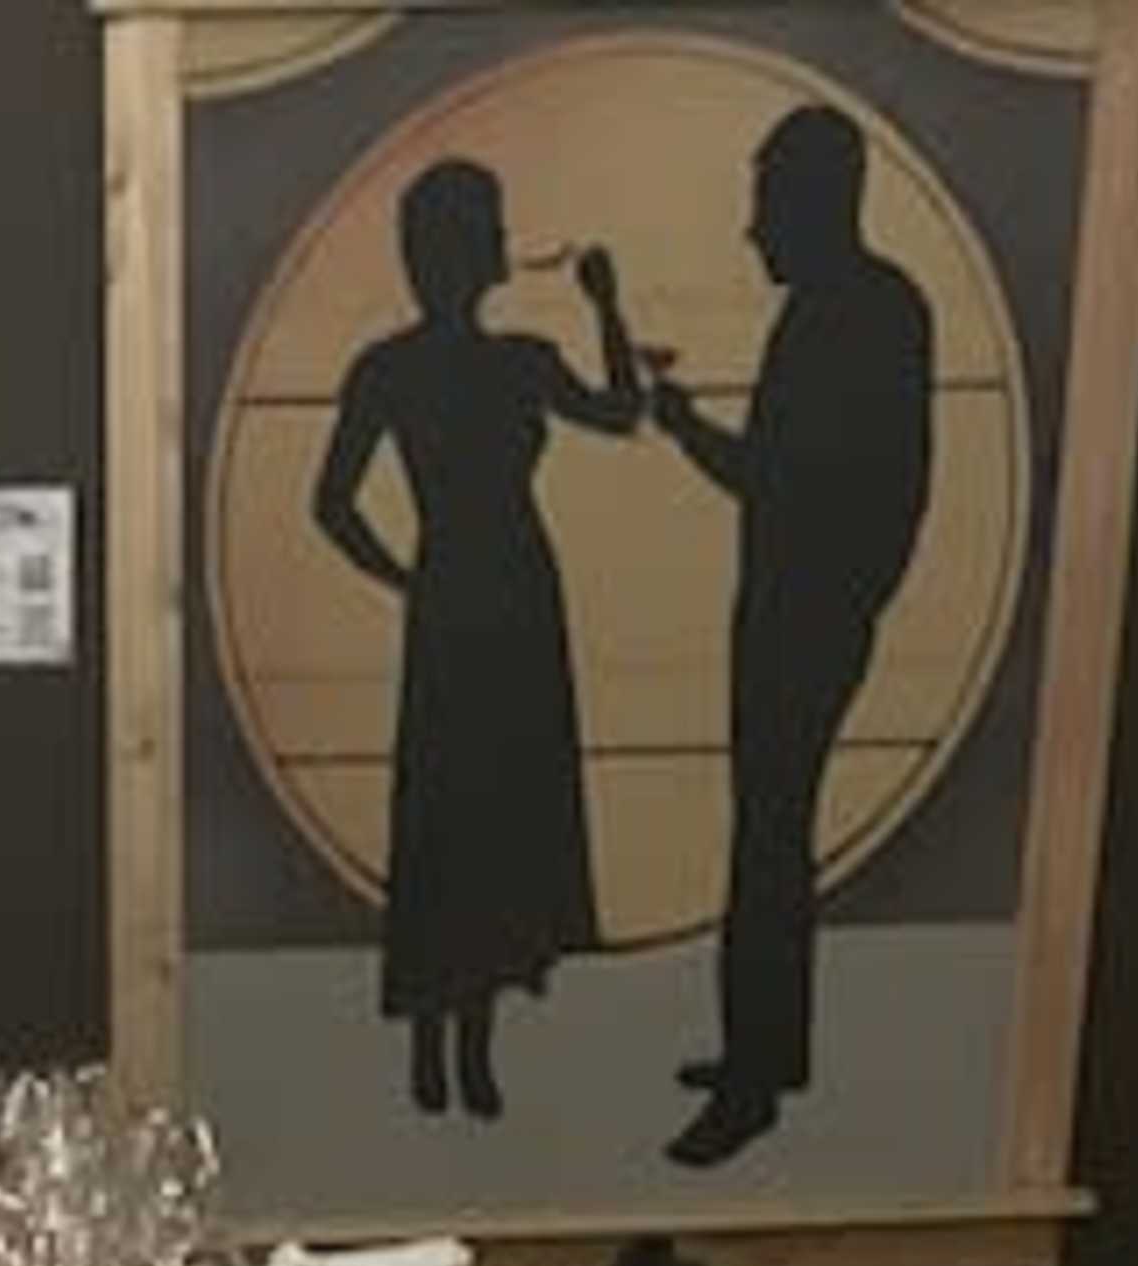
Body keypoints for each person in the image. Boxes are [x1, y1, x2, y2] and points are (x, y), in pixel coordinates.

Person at [309, 164, 639, 1126]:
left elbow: (622, 415)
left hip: (496, 602)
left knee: (491, 818)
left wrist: (607, 311)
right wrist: (401, 576)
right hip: (468, 599)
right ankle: (434, 1038)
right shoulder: (437, 367)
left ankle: (470, 1041)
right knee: (454, 814)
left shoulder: (491, 362)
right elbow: (330, 505)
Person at [642, 106, 932, 1171]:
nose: (752, 231)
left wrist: (683, 432)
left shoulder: (847, 318)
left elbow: (783, 478)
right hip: (805, 607)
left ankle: (754, 1082)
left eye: (766, 205)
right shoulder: (864, 309)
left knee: (767, 836)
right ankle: (770, 1050)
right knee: (773, 832)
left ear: (812, 204)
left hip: (805, 616)